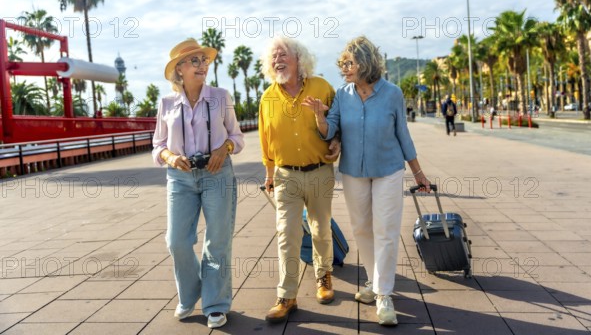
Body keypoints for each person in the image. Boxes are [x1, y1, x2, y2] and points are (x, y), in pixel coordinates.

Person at [302, 35, 431, 327]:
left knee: (385, 230)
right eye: (342, 64)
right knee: (362, 229)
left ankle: (384, 295)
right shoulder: (342, 94)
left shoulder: (392, 93)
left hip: (388, 170)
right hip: (353, 172)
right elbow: (329, 130)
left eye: (350, 63)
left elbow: (403, 135)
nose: (344, 68)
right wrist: (320, 118)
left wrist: (418, 172)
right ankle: (374, 283)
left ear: (366, 63)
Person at [152, 38, 244, 330]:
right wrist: (170, 157)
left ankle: (215, 303)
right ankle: (190, 294)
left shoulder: (220, 96)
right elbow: (157, 146)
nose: (202, 65)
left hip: (217, 174)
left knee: (216, 241)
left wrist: (223, 149)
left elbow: (237, 138)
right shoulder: (166, 103)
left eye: (204, 60)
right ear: (178, 69)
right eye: (194, 61)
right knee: (176, 241)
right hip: (180, 178)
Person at [258, 36, 339, 323]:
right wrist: (268, 174)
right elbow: (265, 139)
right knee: (287, 234)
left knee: (320, 229)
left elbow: (339, 122)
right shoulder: (267, 98)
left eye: (283, 54)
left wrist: (337, 141)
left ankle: (323, 277)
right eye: (273, 56)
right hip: (285, 176)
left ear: (299, 60)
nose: (277, 60)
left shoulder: (322, 87)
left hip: (319, 171)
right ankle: (287, 295)